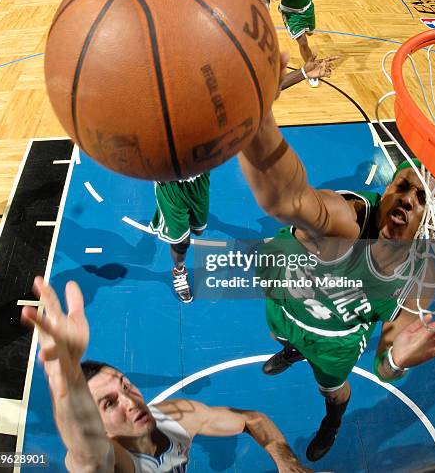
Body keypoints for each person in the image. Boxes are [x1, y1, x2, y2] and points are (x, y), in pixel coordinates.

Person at [239, 54, 435, 463]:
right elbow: (287, 197)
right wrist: (255, 113)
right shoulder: (347, 216)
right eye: (403, 185)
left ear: (432, 218)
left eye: (421, 198)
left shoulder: (421, 273)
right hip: (289, 298)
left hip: (335, 338)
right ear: (386, 189)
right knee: (277, 334)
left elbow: (386, 364)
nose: (406, 200)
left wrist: (399, 360)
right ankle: (291, 348)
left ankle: (332, 419)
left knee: (332, 389)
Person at [21, 277, 313, 473]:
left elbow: (253, 419)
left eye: (126, 385)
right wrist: (66, 386)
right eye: (109, 403)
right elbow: (87, 450)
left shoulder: (177, 418)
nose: (131, 402)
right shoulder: (112, 460)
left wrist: (286, 461)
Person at [271, 0, 344, 88]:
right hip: (292, 12)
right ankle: (311, 68)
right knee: (303, 42)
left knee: (310, 32)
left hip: (307, 8)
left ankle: (308, 32)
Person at [150, 173, 210, 303]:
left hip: (198, 180)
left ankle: (183, 224)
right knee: (182, 242)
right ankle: (179, 271)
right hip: (170, 187)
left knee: (199, 230)